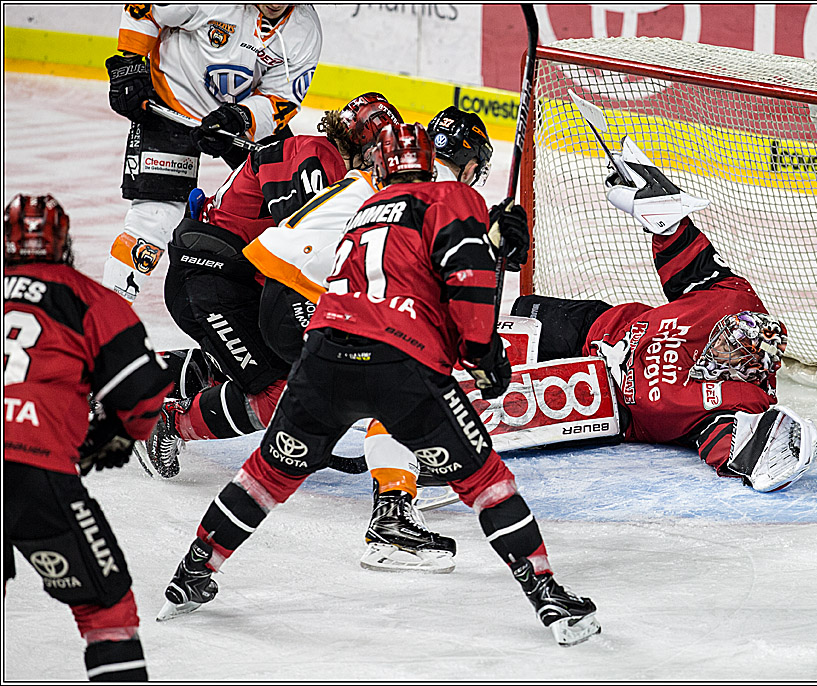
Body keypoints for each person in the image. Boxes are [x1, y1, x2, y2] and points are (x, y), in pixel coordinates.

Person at [157, 123, 600, 647]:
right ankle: (546, 595)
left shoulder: (363, 205)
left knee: (265, 477)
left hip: (322, 349)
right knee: (487, 482)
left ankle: (191, 574)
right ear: (434, 165)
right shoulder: (449, 195)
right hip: (397, 361)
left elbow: (380, 262)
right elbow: (463, 275)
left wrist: (493, 241)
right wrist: (483, 352)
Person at [242, 104, 530, 572]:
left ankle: (178, 411)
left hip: (283, 287)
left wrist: (489, 243)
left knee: (311, 383)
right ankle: (392, 518)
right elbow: (441, 278)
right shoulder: (439, 192)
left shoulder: (401, 177)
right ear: (473, 162)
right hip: (312, 295)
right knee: (397, 377)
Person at [511, 136, 817, 493]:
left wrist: (761, 455)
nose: (715, 345)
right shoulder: (734, 302)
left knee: (496, 403)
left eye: (726, 350)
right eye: (723, 339)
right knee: (492, 333)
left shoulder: (739, 402)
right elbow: (690, 262)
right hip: (595, 327)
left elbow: (729, 442)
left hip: (597, 405)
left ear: (741, 368)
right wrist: (661, 212)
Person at [134, 96, 362, 479]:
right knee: (281, 393)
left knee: (255, 366)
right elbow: (298, 240)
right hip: (212, 280)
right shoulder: (319, 153)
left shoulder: (315, 155)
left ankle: (122, 378)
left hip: (222, 278)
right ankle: (170, 421)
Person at [3, 195, 173, 681]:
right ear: (65, 244)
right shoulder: (86, 297)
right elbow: (142, 396)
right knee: (106, 608)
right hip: (37, 472)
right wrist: (118, 432)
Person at [102, 4, 322, 304]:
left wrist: (239, 118)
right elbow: (145, 9)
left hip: (233, 121)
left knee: (292, 209)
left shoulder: (304, 29)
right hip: (171, 103)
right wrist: (131, 64)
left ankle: (279, 310)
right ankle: (110, 314)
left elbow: (280, 98)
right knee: (155, 218)